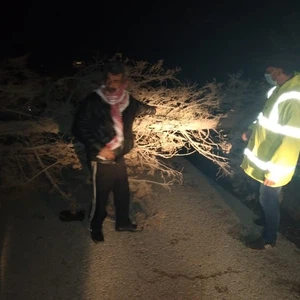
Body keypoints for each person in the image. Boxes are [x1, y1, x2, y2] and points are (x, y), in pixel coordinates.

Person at [72, 60, 156, 243]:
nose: (111, 84)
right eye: (108, 80)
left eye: (115, 80)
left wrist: (155, 110)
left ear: (124, 82)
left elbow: (143, 109)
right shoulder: (94, 101)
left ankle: (123, 222)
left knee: (122, 191)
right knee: (100, 196)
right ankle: (95, 227)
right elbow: (79, 128)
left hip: (119, 156)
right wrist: (100, 147)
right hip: (100, 157)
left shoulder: (128, 101)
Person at [241, 55, 300, 250]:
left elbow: (292, 138)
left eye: (270, 70)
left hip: (277, 164)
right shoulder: (279, 90)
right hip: (268, 155)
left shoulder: (293, 96)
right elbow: (265, 117)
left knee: (269, 198)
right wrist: (251, 129)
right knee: (266, 197)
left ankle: (269, 239)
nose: (267, 73)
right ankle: (267, 221)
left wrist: (275, 173)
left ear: (279, 70)